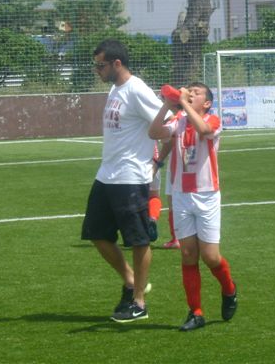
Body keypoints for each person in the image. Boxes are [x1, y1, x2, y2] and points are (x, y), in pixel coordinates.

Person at [81, 39, 165, 323]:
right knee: (95, 233)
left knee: (139, 240)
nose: (97, 70)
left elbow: (167, 123)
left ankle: (139, 303)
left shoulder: (137, 89)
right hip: (107, 175)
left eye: (101, 65)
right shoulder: (115, 89)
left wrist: (158, 161)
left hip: (130, 177)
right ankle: (130, 281)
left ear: (117, 63)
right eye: (96, 65)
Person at [148, 82, 238, 331]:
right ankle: (195, 312)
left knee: (210, 256)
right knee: (188, 254)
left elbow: (204, 129)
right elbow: (153, 133)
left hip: (206, 195)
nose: (190, 93)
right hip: (181, 195)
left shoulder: (213, 120)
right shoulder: (178, 119)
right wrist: (167, 104)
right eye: (189, 90)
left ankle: (229, 289)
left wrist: (183, 103)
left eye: (196, 93)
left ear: (206, 103)